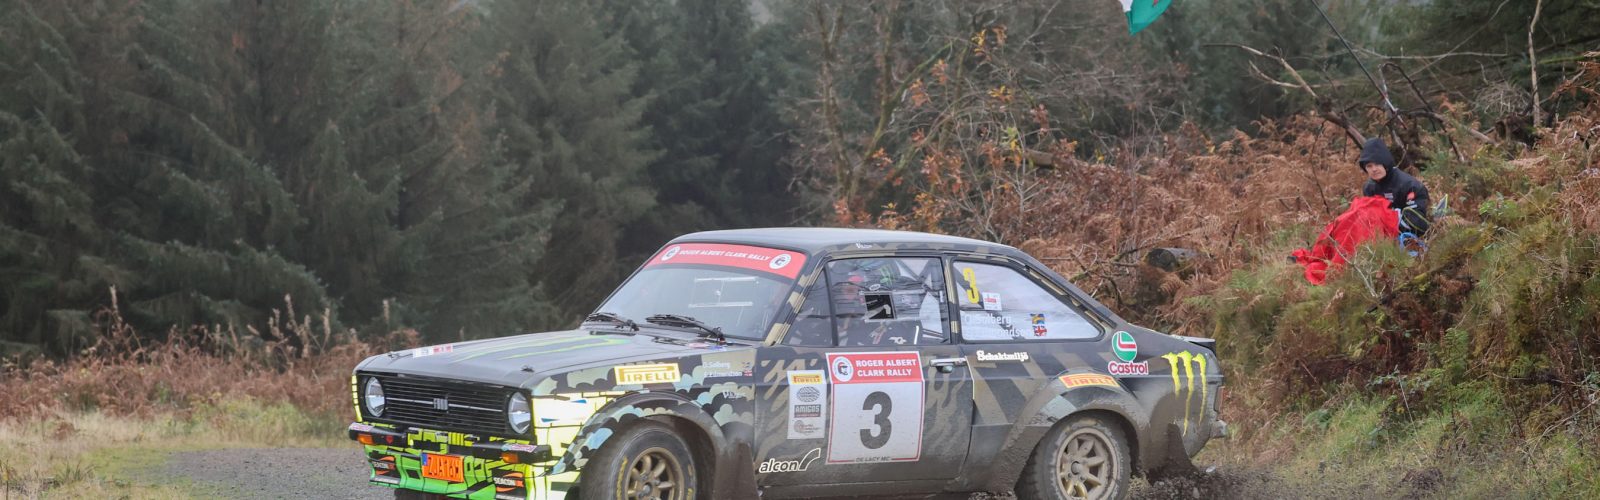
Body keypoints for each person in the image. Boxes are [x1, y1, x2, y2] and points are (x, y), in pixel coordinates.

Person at [1358, 138, 1431, 235]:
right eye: (1369, 166)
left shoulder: (1410, 186)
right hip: (1381, 236)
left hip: (1408, 236)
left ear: (1386, 163)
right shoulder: (1369, 188)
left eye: (1378, 164)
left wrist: (1392, 219)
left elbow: (1419, 223)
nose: (1374, 169)